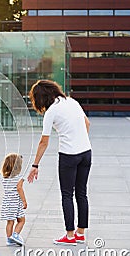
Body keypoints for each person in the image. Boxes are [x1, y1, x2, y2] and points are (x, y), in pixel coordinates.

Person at [27, 80, 91, 246]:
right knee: (82, 193)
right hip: (86, 153)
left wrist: (35, 165)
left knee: (67, 194)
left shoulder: (51, 111)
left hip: (69, 156)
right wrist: (80, 141)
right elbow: (87, 123)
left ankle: (69, 236)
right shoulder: (72, 101)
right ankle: (81, 233)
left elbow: (43, 142)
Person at [0, 153, 27, 246]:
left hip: (7, 202)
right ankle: (15, 235)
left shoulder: (4, 178)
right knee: (22, 220)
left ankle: (9, 239)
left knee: (10, 222)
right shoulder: (19, 178)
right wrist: (24, 201)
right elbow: (19, 189)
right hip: (16, 202)